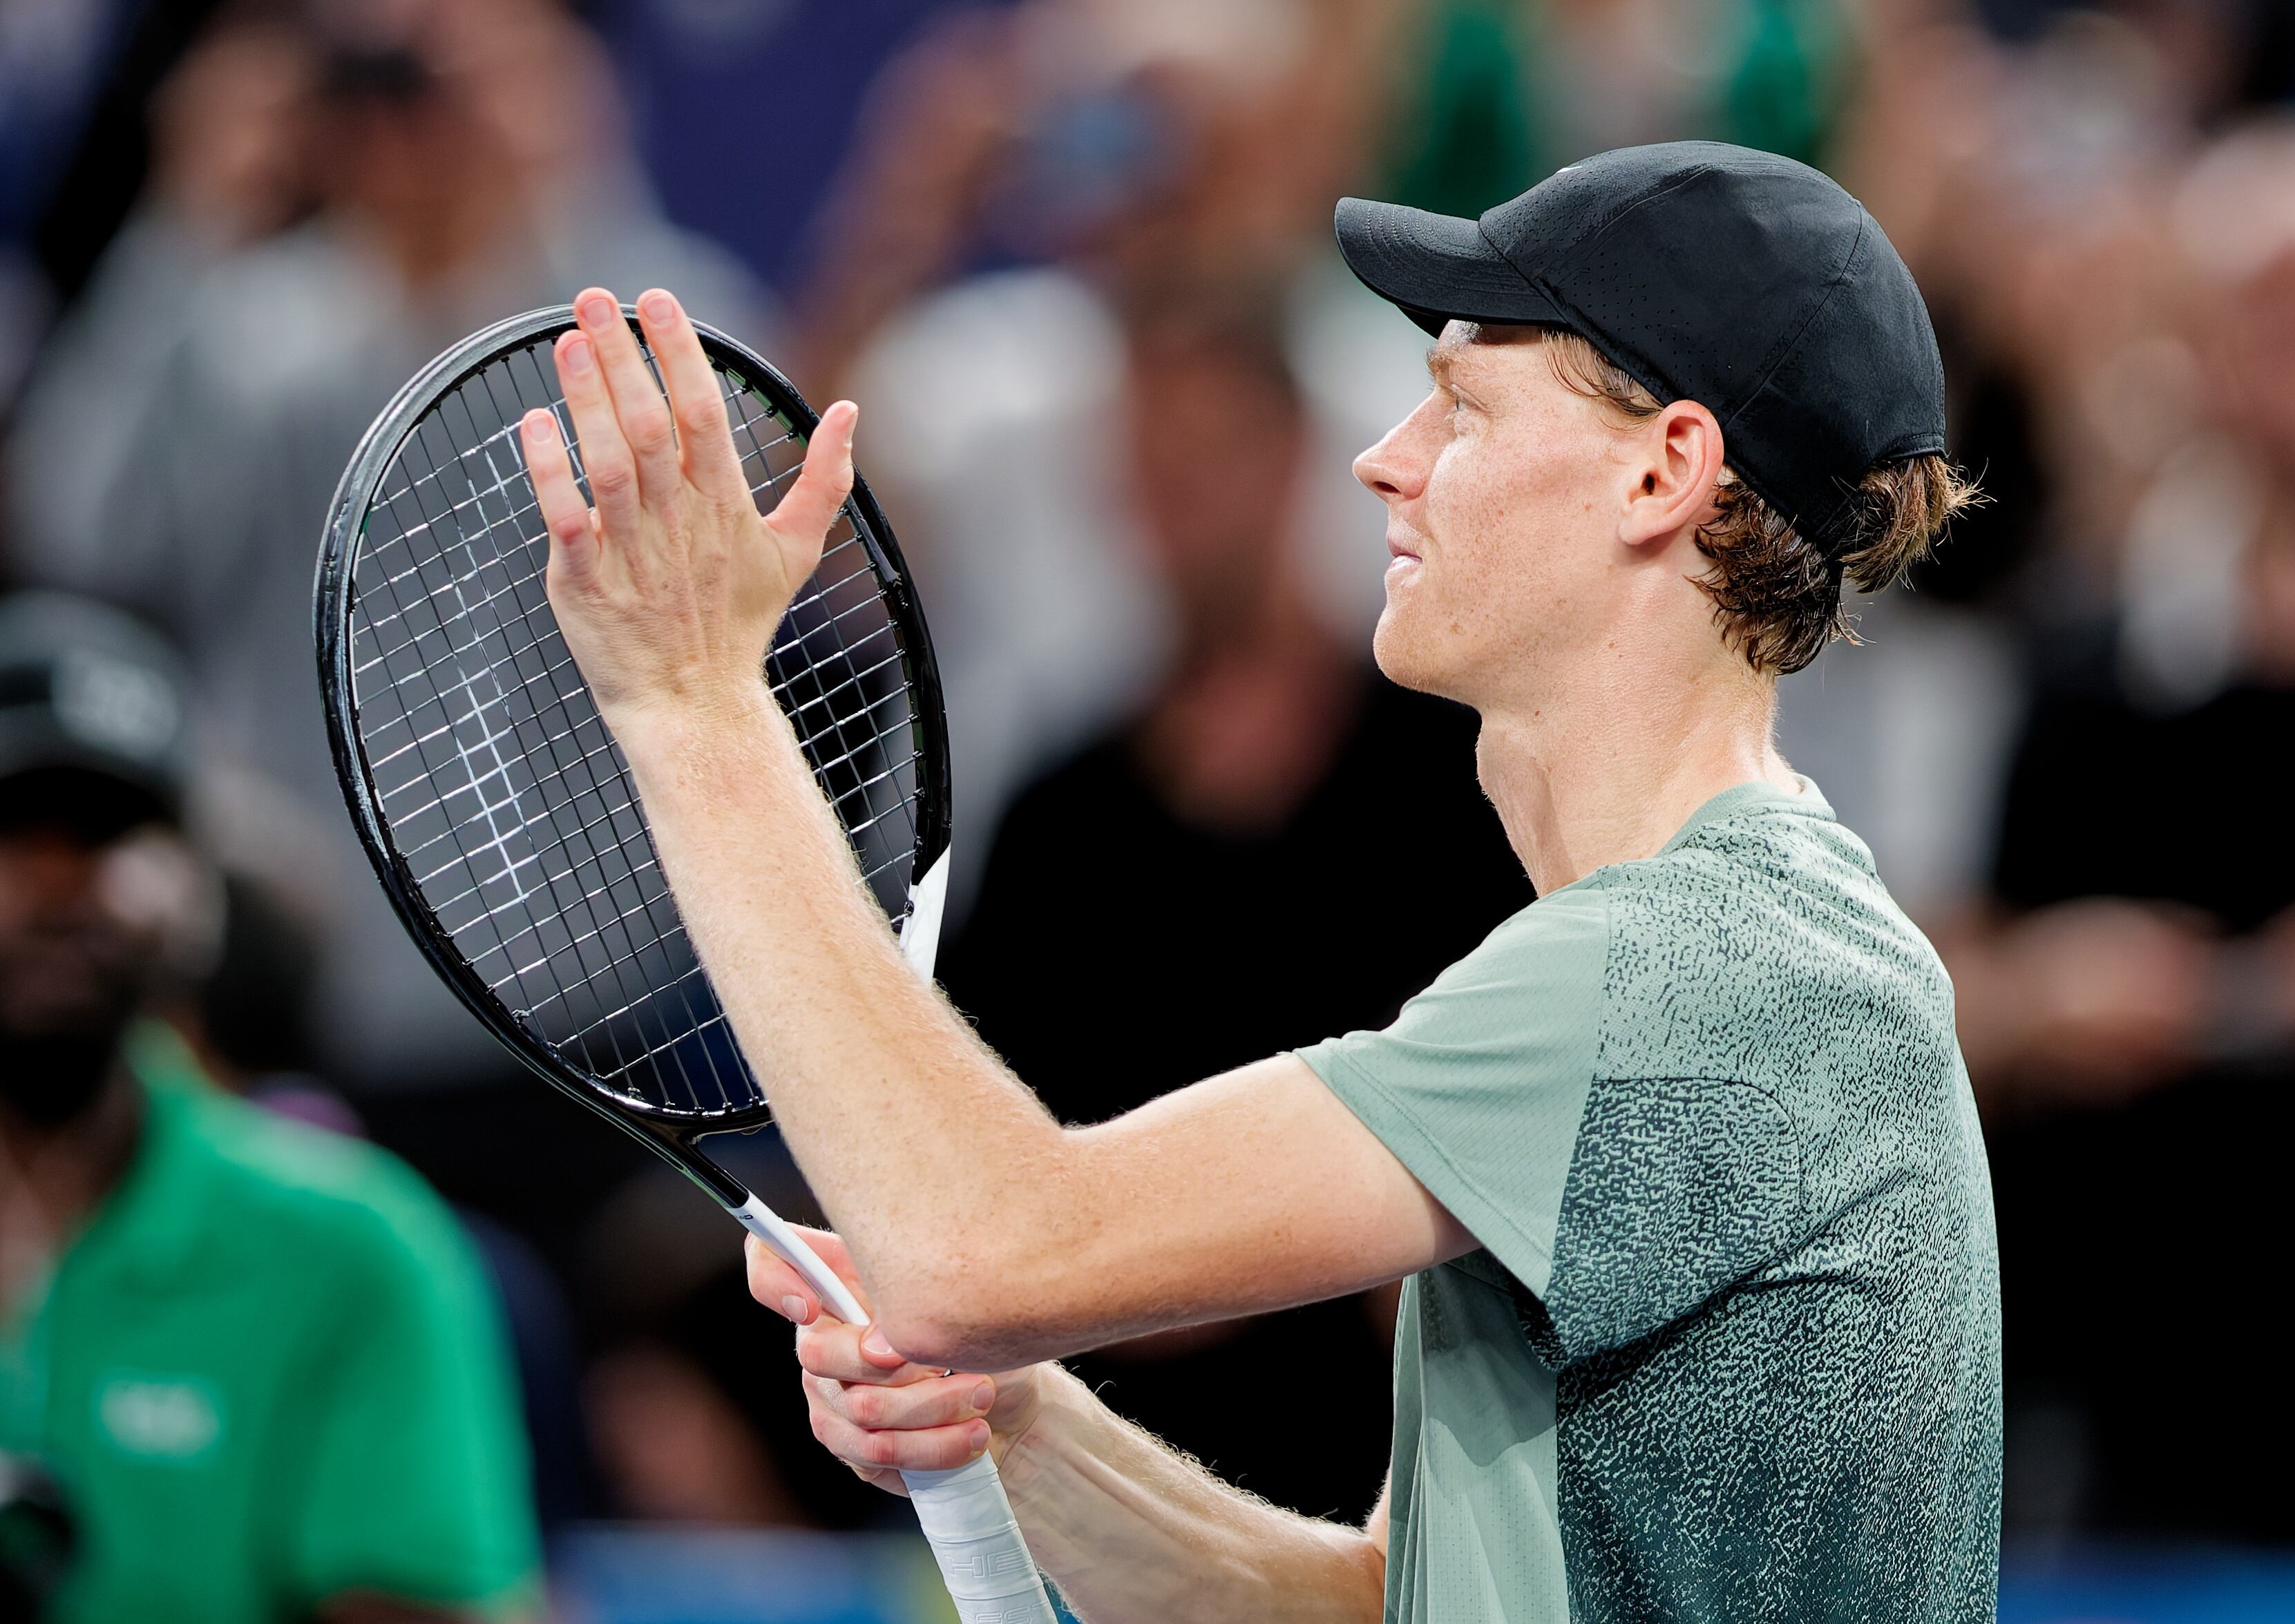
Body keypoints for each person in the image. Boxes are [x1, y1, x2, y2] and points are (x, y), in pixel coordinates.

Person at [518, 141, 1998, 1620]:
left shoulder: (1704, 978)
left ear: (1660, 470)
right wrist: (1029, 1427)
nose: (1385, 455)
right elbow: (1374, 1604)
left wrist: (695, 700)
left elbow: (977, 1249)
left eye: (1463, 405)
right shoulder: (1727, 951)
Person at [937, 281, 1530, 1519]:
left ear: (1289, 460)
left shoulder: (1457, 772)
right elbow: (980, 1128)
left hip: (1405, 1418)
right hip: (1104, 1420)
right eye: (1143, 469)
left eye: (1203, 458)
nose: (1170, 505)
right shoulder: (1063, 811)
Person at [0, 593, 540, 1623]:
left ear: (200, 897)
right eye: (15, 830)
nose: (62, 883)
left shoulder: (353, 1247)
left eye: (113, 830)